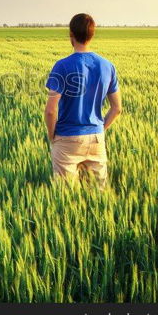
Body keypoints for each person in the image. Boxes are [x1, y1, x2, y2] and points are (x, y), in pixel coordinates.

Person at [44, 13, 122, 187]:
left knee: (66, 198)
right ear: (92, 35)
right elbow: (116, 108)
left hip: (67, 139)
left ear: (71, 35)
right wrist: (99, 128)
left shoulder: (62, 66)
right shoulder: (107, 66)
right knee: (98, 196)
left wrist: (53, 137)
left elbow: (50, 110)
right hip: (96, 139)